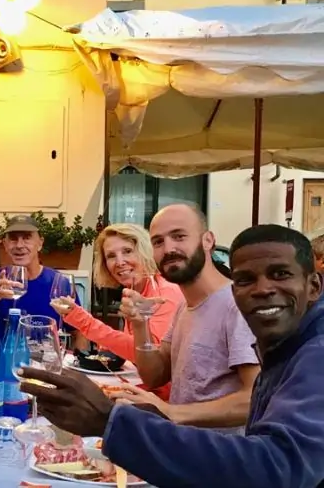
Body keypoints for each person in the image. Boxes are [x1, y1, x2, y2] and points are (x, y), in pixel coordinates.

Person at [20, 224, 324, 488]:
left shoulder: (315, 353)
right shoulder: (192, 307)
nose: (263, 290)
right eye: (244, 280)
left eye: (280, 274)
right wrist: (138, 326)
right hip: (192, 455)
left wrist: (116, 421)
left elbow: (278, 467)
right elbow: (154, 371)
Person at [111, 204, 260, 430]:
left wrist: (169, 411)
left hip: (220, 458)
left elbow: (254, 399)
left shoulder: (235, 306)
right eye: (158, 241)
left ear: (208, 240)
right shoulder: (184, 306)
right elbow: (154, 376)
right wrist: (141, 323)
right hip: (184, 450)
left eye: (179, 236)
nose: (169, 248)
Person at [52, 223, 183, 362]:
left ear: (145, 251)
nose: (120, 262)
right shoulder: (132, 291)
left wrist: (85, 322)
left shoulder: (166, 291)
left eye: (127, 251)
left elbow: (150, 355)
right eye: (111, 256)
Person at [0, 214, 81, 339]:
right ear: (5, 244)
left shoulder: (58, 282)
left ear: (40, 243)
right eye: (13, 239)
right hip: (3, 356)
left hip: (46, 356)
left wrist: (74, 357)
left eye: (27, 238)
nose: (19, 245)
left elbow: (79, 331)